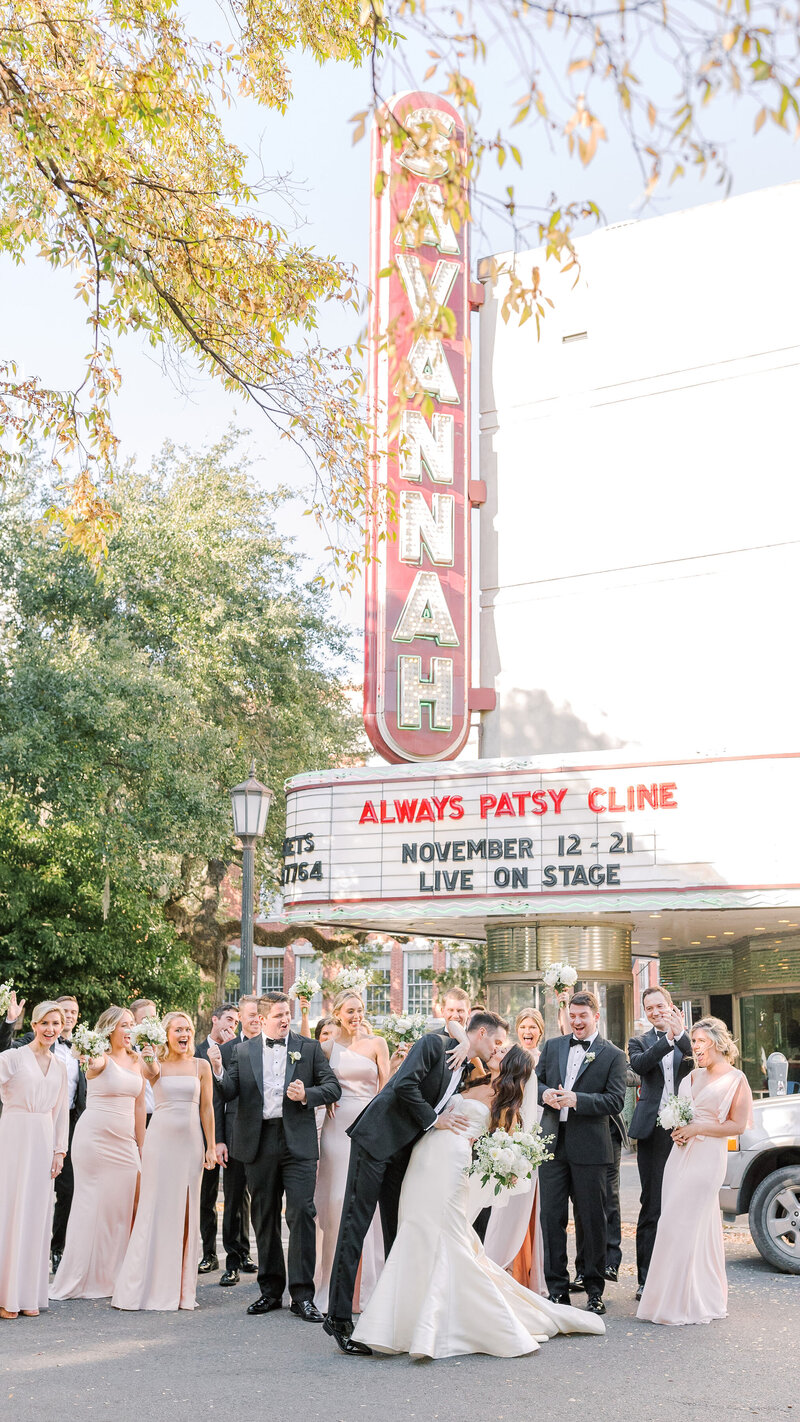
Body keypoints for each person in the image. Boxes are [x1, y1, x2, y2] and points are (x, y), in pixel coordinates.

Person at [351, 1044, 605, 1358]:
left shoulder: (506, 1100)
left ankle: (447, 1325)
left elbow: (506, 1141)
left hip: (452, 1165)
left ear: (511, 1064)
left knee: (447, 1237)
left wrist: (506, 1163)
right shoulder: (473, 1077)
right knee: (414, 1229)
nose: (495, 1051)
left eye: (502, 1051)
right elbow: (461, 1040)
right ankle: (411, 1320)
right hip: (424, 1158)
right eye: (496, 1047)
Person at [324, 1009, 508, 1355]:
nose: (497, 1049)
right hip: (376, 1142)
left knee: (399, 1231)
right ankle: (338, 1318)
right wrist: (433, 1119)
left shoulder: (465, 1065)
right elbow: (404, 1084)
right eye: (495, 1041)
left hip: (403, 1152)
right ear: (479, 1034)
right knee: (355, 1226)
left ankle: (393, 1317)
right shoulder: (433, 1045)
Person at [214, 991, 341, 1319]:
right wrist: (217, 1072)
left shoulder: (308, 1048)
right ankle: (270, 1291)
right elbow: (228, 1092)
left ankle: (302, 1296)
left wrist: (307, 1094)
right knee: (264, 1215)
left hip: (297, 1142)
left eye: (287, 1015)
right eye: (279, 1016)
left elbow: (332, 1088)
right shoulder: (242, 1051)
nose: (285, 1020)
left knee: (301, 1213)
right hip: (258, 1142)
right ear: (261, 1019)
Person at [637, 1017, 753, 1327]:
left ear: (716, 1042)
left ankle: (686, 1301)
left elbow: (737, 1125)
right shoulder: (689, 1078)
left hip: (707, 1158)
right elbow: (680, 1113)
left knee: (683, 1224)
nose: (696, 1047)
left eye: (700, 1041)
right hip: (680, 1156)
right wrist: (677, 1129)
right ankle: (674, 1297)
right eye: (694, 1042)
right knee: (675, 1223)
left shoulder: (735, 1079)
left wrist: (697, 1127)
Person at [112, 1011, 217, 1311]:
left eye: (188, 1029)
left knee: (186, 1211)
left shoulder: (201, 1066)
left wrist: (211, 1146)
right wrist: (148, 1052)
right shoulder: (155, 1063)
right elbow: (150, 1071)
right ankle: (146, 1285)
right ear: (167, 1034)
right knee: (155, 1207)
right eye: (178, 1029)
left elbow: (207, 1109)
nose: (184, 1034)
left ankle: (182, 1289)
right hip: (160, 1143)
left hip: (191, 1145)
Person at [536, 990, 627, 1317]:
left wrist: (578, 1100)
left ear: (596, 1017)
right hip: (552, 1146)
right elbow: (535, 1082)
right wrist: (545, 1092)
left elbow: (616, 1101)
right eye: (572, 1016)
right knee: (551, 1219)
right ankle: (557, 1290)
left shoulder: (613, 1055)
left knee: (591, 1222)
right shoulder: (553, 1046)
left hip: (591, 1149)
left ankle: (593, 1291)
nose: (576, 1022)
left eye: (582, 1016)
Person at [50, 1006, 146, 1301]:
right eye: (124, 1026)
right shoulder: (99, 1058)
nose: (130, 1030)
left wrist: (141, 1147)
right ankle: (79, 1276)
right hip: (95, 1140)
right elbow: (91, 1060)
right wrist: (88, 1049)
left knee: (123, 1208)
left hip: (125, 1141)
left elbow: (140, 1106)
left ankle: (114, 1275)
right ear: (110, 1030)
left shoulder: (138, 1059)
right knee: (91, 1208)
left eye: (132, 1025)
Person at [314, 991, 390, 1313]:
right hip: (335, 1130)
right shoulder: (328, 1047)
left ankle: (369, 1286)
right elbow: (320, 1080)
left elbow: (386, 1089)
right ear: (337, 1014)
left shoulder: (378, 1044)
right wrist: (327, 1094)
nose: (356, 1016)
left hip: (368, 1127)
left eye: (360, 1010)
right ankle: (330, 1287)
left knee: (365, 1204)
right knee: (335, 1204)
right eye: (350, 1011)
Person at [0, 1001, 68, 1319]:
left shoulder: (60, 1066)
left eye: (56, 1024)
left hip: (43, 1139)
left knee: (36, 1213)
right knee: (11, 1210)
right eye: (45, 1023)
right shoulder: (14, 1057)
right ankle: (5, 1295)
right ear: (35, 1025)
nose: (51, 1029)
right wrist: (9, 1021)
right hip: (14, 1135)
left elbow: (60, 1114)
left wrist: (59, 1151)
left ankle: (27, 1293)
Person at [628, 985, 694, 1300]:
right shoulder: (638, 1041)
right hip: (653, 1132)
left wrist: (680, 1036)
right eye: (649, 1008)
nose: (655, 1012)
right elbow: (641, 1066)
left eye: (659, 1006)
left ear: (670, 1005)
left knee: (681, 1204)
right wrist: (667, 1039)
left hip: (686, 1131)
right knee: (652, 1203)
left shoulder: (690, 1038)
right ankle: (646, 1279)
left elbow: (698, 1063)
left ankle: (679, 1277)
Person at [483, 1007, 547, 1292]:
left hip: (513, 1159)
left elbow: (528, 1120)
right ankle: (495, 1274)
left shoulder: (526, 1072)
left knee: (508, 1221)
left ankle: (510, 1275)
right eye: (524, 1026)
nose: (495, 1052)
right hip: (491, 1158)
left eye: (534, 1027)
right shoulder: (490, 1078)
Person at [214, 994, 260, 1287]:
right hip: (233, 1133)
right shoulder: (227, 1049)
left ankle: (249, 1255)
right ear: (240, 1017)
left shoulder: (274, 1048)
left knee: (260, 1201)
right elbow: (218, 1101)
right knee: (232, 1201)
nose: (256, 1018)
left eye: (260, 1014)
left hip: (265, 1135)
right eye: (251, 1014)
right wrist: (218, 1140)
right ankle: (231, 1262)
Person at [195, 1002, 239, 1274]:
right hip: (203, 1134)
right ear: (214, 1020)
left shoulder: (239, 1049)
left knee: (237, 1198)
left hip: (234, 1134)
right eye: (228, 1020)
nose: (231, 1026)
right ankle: (209, 1253)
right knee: (206, 1197)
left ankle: (239, 1254)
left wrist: (233, 1050)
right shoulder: (196, 1051)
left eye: (235, 1022)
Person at [50, 995, 86, 1274]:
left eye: (74, 1012)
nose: (70, 1016)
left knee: (68, 1191)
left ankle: (57, 1249)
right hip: (39, 1121)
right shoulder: (35, 1041)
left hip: (72, 1125)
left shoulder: (83, 1048)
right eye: (65, 1011)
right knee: (35, 1189)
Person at [130, 998, 158, 1126]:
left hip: (161, 1116)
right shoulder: (127, 1051)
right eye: (145, 1020)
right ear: (134, 1023)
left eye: (153, 1018)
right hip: (135, 1116)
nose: (150, 1023)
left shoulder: (166, 1049)